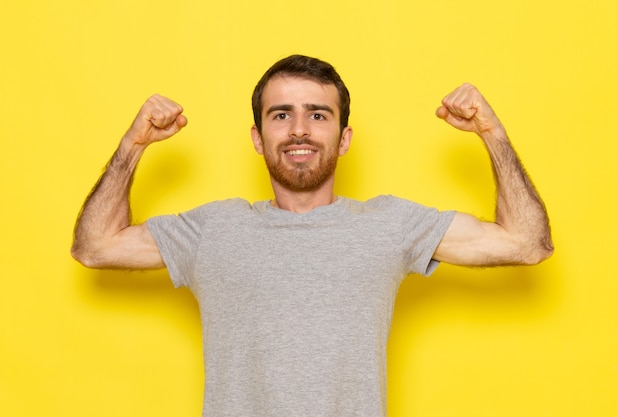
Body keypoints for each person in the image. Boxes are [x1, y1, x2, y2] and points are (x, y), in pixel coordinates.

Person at [71, 55, 553, 416]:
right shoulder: (212, 230)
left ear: (344, 138)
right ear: (258, 138)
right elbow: (94, 246)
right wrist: (134, 145)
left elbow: (526, 243)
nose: (299, 130)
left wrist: (491, 132)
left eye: (318, 115)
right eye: (281, 115)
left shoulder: (388, 224)